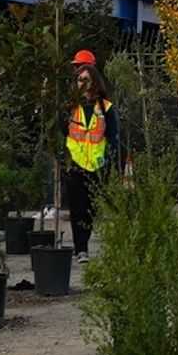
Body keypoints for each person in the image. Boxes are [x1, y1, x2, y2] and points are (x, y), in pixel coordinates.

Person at [64, 50, 118, 261]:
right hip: (75, 165)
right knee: (77, 209)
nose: (82, 83)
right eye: (79, 79)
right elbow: (62, 132)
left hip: (97, 165)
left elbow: (113, 136)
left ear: (95, 82)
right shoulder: (70, 107)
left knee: (90, 209)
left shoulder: (105, 107)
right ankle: (81, 249)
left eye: (86, 79)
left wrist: (109, 161)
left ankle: (85, 243)